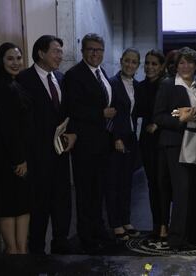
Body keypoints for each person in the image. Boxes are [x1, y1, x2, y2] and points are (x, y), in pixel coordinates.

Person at [17, 35, 76, 254]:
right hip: (36, 155)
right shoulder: (24, 79)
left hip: (61, 153)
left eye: (61, 51)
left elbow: (69, 113)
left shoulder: (61, 78)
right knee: (39, 204)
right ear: (41, 53)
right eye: (55, 51)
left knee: (62, 200)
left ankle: (61, 241)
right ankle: (37, 249)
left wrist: (73, 135)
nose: (60, 55)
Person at [154, 47, 196, 250]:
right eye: (181, 63)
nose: (185, 66)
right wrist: (180, 118)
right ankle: (178, 238)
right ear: (176, 66)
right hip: (175, 143)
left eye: (189, 62)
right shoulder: (168, 85)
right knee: (182, 190)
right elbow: (159, 116)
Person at [63, 33, 115, 254]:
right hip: (85, 144)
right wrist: (100, 113)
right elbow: (72, 108)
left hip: (101, 143)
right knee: (85, 192)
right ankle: (86, 235)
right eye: (91, 49)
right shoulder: (74, 75)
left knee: (98, 190)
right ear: (83, 51)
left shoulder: (100, 72)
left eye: (99, 50)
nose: (95, 53)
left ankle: (98, 227)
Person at [0, 42, 32, 254]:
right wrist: (19, 159)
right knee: (9, 202)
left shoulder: (16, 84)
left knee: (22, 203)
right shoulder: (2, 87)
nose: (15, 63)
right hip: (9, 157)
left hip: (20, 153)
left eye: (18, 58)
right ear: (1, 61)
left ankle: (21, 250)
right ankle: (12, 251)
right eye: (10, 59)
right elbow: (9, 128)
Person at [135, 49, 171, 242]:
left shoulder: (168, 85)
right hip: (147, 142)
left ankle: (166, 223)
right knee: (152, 185)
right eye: (147, 63)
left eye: (154, 64)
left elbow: (176, 111)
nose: (149, 67)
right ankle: (157, 224)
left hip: (165, 141)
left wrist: (159, 122)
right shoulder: (140, 87)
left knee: (164, 185)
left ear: (162, 66)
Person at [106, 48, 141, 241]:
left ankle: (126, 220)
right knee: (114, 183)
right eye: (126, 61)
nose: (129, 64)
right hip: (116, 139)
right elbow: (109, 114)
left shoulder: (136, 84)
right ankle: (116, 223)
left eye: (134, 62)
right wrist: (115, 138)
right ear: (121, 61)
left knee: (127, 183)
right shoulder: (112, 83)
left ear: (138, 65)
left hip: (131, 138)